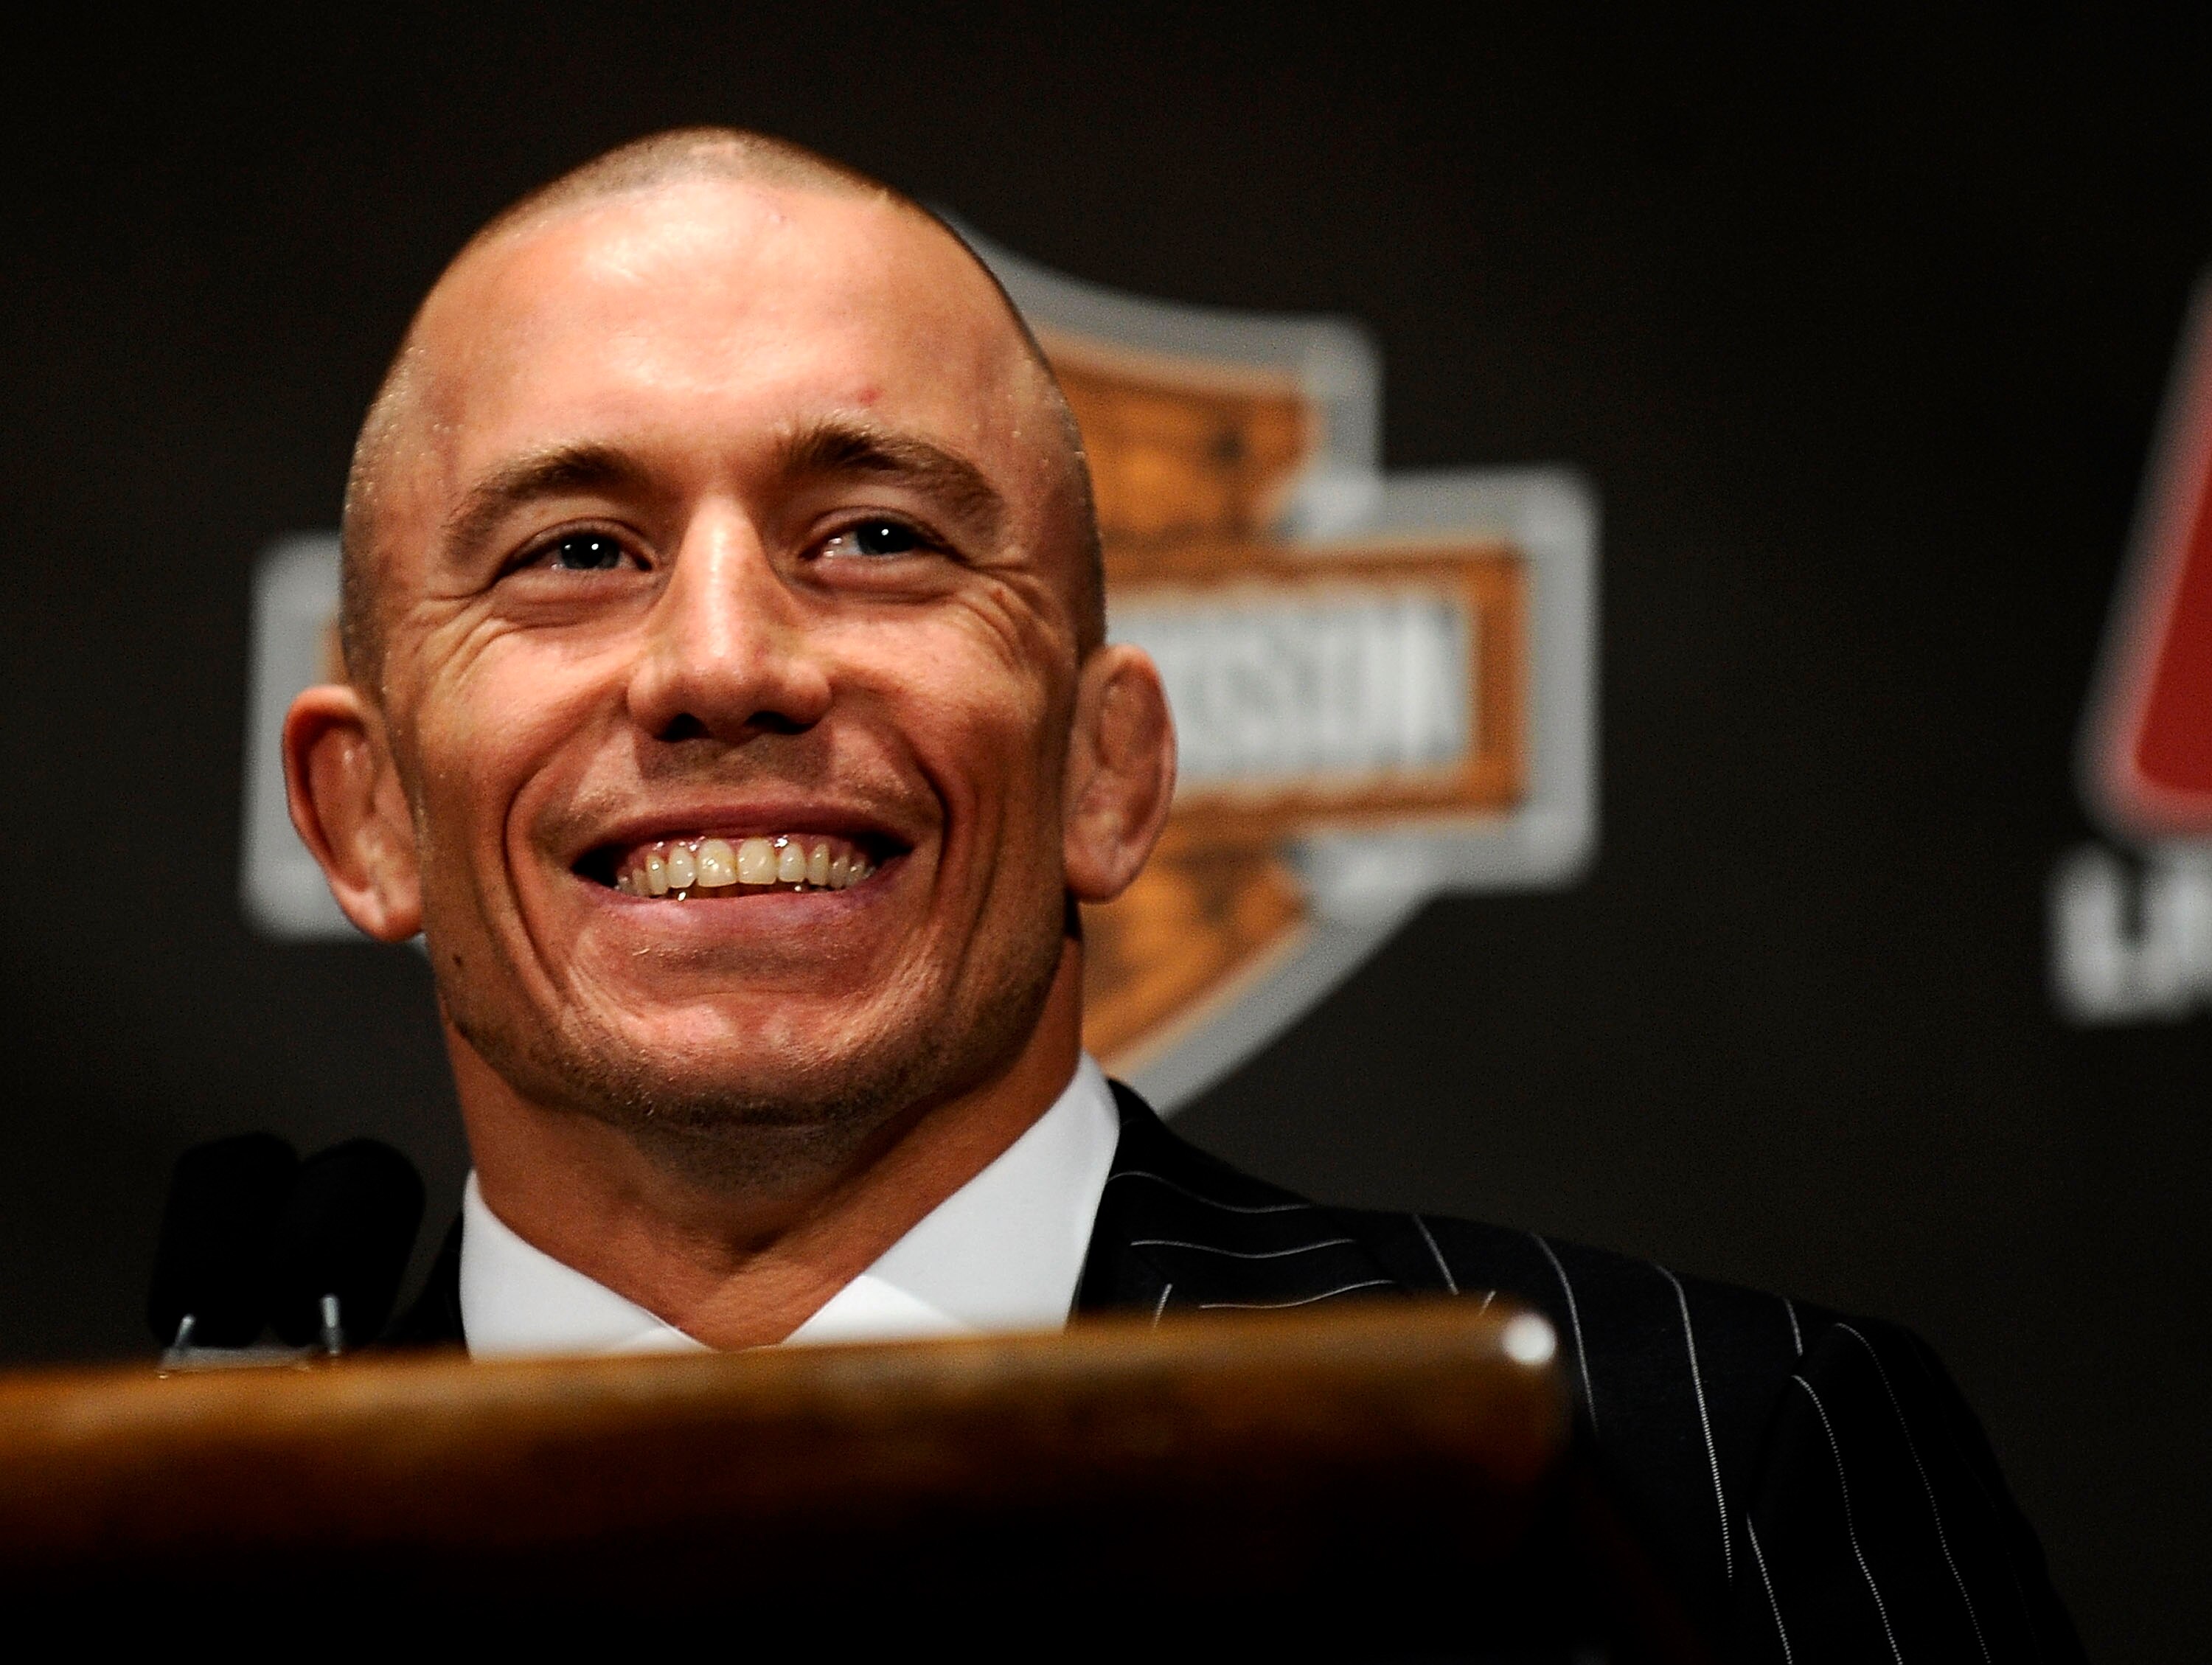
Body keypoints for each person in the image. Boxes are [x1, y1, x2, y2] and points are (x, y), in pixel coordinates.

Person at [283, 128, 2081, 1659]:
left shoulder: (1697, 1467)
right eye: (577, 554)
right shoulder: (125, 1585)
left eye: (879, 538)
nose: (728, 659)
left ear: (1108, 771)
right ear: (362, 815)